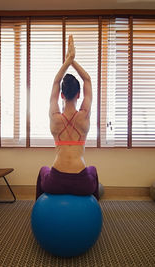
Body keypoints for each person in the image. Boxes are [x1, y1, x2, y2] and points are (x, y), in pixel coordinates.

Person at [36, 35, 99, 200]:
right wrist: (72, 60)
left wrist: (67, 61)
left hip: (55, 181)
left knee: (43, 170)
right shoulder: (84, 116)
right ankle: (95, 210)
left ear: (61, 95)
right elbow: (87, 79)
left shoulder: (54, 117)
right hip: (82, 183)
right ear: (79, 94)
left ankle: (39, 210)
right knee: (92, 170)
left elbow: (55, 82)